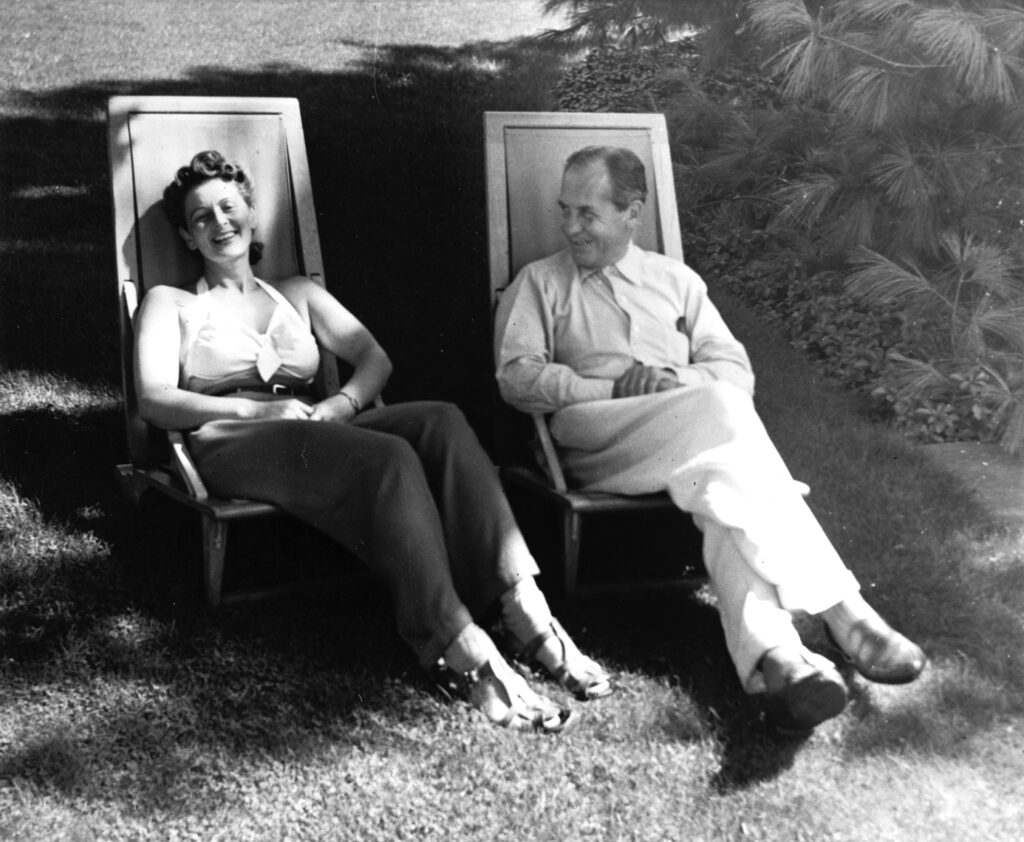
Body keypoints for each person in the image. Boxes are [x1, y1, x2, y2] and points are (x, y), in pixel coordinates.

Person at [134, 150, 612, 733]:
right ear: (186, 234)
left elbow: (372, 357)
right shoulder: (171, 302)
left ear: (252, 216)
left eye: (228, 207)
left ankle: (523, 608)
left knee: (441, 419)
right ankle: (459, 647)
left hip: (312, 430)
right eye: (201, 216)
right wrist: (252, 408)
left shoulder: (296, 293)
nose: (219, 222)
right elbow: (155, 398)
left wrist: (339, 405)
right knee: (389, 457)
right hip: (229, 440)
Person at [493, 145, 926, 732]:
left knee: (722, 479)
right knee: (721, 417)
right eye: (565, 210)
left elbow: (734, 370)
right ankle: (842, 609)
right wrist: (612, 389)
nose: (571, 226)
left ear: (632, 212)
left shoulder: (676, 281)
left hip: (691, 437)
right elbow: (516, 378)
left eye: (588, 214)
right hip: (600, 440)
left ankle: (781, 661)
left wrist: (673, 380)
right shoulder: (540, 283)